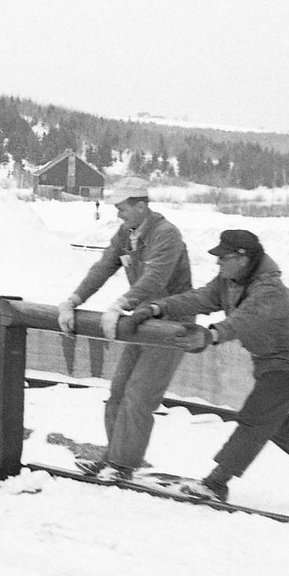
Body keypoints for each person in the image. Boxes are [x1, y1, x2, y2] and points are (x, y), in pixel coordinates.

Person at [127, 229, 289, 501]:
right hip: (270, 357)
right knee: (270, 417)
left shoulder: (267, 289)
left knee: (255, 419)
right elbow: (200, 298)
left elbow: (243, 320)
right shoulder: (230, 280)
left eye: (224, 257)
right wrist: (157, 308)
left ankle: (216, 483)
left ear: (243, 259)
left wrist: (210, 334)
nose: (218, 263)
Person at [55, 177, 192, 481]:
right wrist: (73, 300)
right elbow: (103, 267)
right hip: (142, 323)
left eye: (122, 208)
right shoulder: (127, 233)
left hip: (170, 325)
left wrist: (121, 303)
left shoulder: (166, 235)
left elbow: (156, 278)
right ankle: (112, 458)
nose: (118, 214)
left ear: (141, 206)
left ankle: (123, 465)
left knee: (139, 396)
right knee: (118, 393)